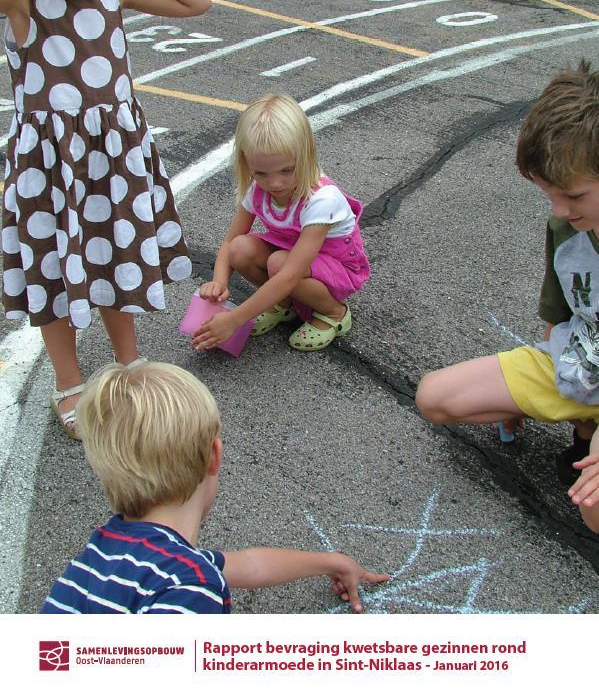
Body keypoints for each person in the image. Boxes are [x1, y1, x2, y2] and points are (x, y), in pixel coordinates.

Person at [0, 0, 211, 438]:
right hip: (49, 169)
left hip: (113, 162)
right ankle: (68, 380)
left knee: (115, 259)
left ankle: (129, 362)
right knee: (53, 271)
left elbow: (196, 3)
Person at [41, 362, 390, 613]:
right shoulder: (189, 591)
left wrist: (331, 561)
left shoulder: (108, 550)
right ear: (214, 456)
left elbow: (248, 565)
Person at [415, 61, 599, 533]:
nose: (559, 210)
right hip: (584, 361)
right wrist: (529, 398)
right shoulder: (566, 227)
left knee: (593, 509)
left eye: (573, 196)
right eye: (548, 195)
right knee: (435, 396)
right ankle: (583, 422)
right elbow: (559, 316)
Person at [192, 93, 371, 352]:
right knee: (240, 249)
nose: (275, 183)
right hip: (293, 259)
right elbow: (230, 241)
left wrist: (235, 318)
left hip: (337, 267)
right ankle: (284, 304)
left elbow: (289, 274)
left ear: (306, 155)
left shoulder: (321, 198)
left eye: (287, 170)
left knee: (279, 264)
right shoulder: (257, 189)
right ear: (247, 164)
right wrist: (219, 281)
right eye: (261, 173)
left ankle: (334, 313)